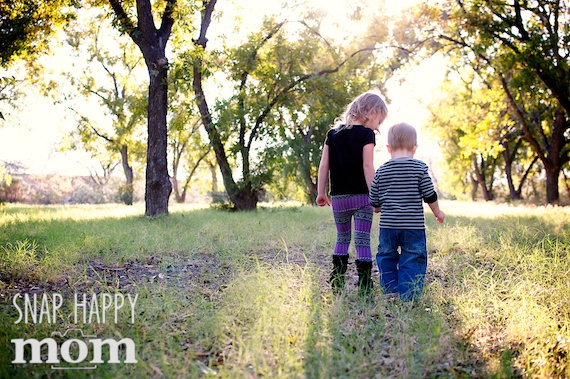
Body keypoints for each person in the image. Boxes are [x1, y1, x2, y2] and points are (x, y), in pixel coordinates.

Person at [316, 90, 388, 296]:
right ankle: (365, 286)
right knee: (363, 239)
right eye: (379, 121)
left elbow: (323, 166)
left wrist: (321, 192)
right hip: (363, 198)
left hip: (339, 198)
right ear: (372, 112)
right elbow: (368, 167)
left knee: (342, 237)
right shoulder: (367, 134)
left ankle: (337, 282)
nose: (378, 127)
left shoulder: (333, 135)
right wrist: (375, 197)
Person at [369, 122, 444, 301]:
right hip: (413, 227)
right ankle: (408, 294)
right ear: (415, 148)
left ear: (388, 148)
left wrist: (379, 207)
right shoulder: (419, 168)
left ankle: (391, 291)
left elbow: (374, 200)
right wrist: (437, 212)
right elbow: (429, 194)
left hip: (388, 227)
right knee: (413, 257)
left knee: (387, 256)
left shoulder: (382, 170)